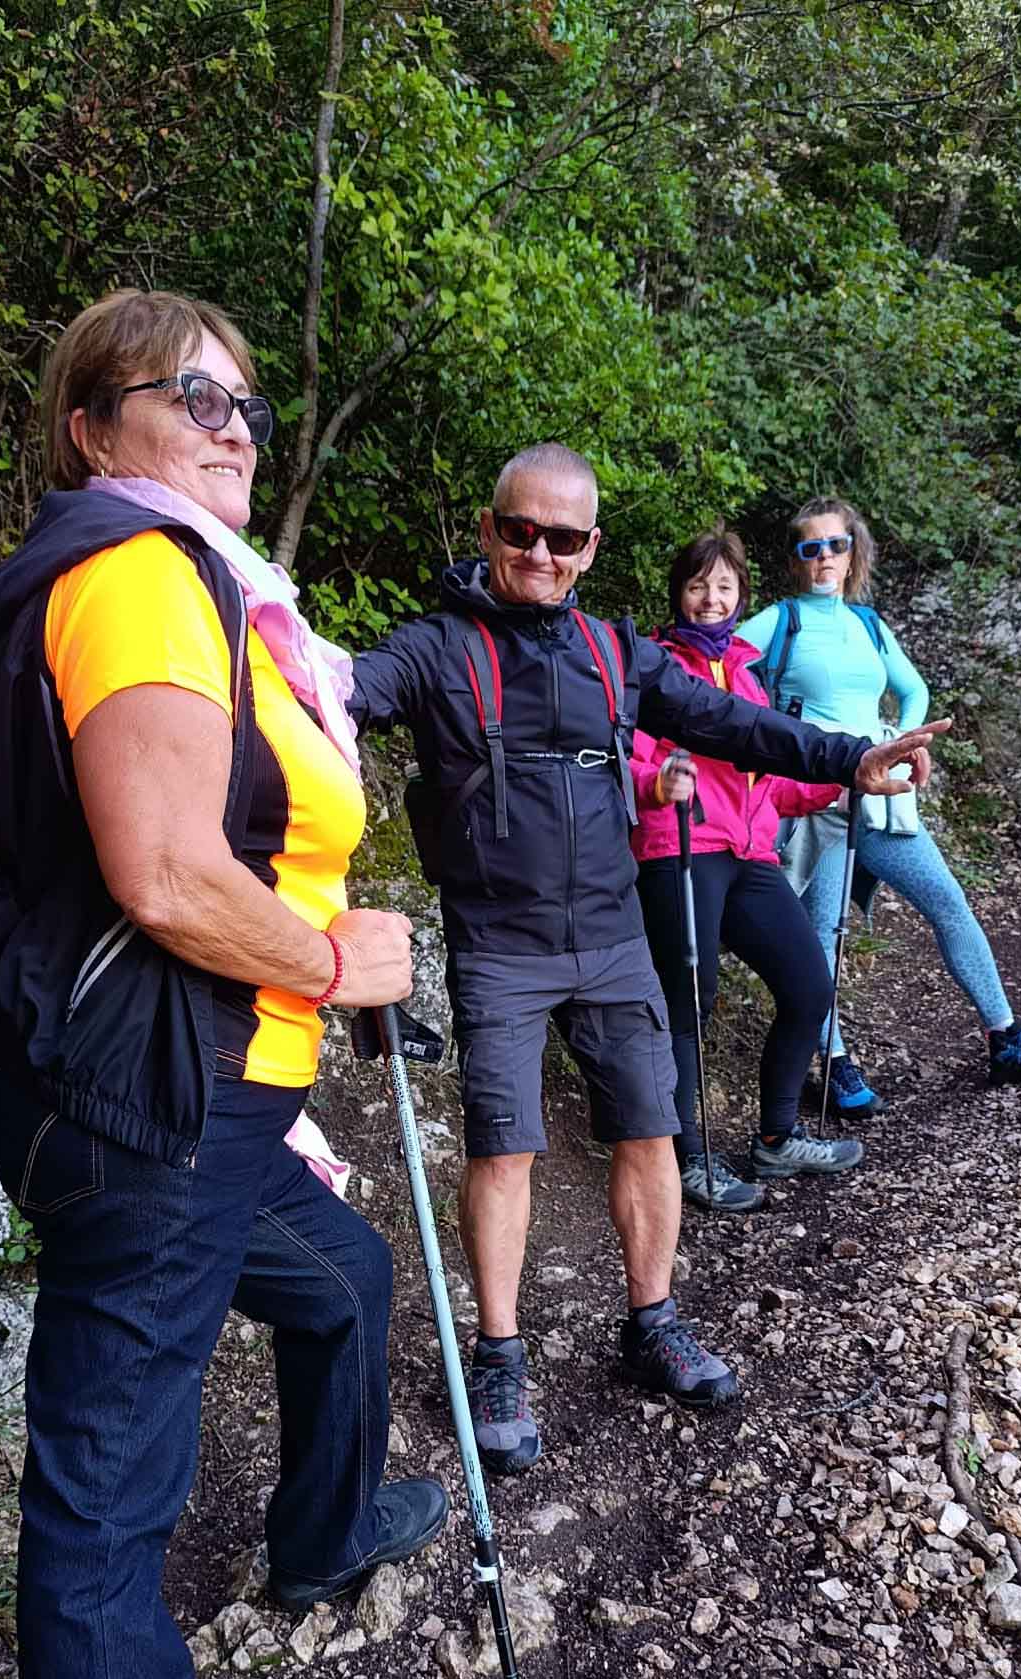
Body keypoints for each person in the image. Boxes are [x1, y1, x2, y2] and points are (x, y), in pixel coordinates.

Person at [0, 288, 449, 1679]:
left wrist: (299, 991)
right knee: (102, 1504)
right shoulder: (137, 578)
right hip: (151, 1108)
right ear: (96, 427)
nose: (232, 425)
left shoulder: (207, 589)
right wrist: (330, 957)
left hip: (212, 1099)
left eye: (245, 402)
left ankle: (321, 1530)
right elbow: (161, 870)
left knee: (342, 1281)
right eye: (189, 396)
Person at [349, 445, 946, 1475]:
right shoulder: (435, 651)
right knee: (503, 1146)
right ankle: (499, 1353)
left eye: (563, 537)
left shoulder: (616, 652)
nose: (538, 552)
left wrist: (851, 757)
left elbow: (733, 723)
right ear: (489, 530)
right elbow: (339, 693)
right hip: (499, 944)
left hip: (615, 932)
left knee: (651, 1129)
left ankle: (651, 1323)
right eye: (519, 530)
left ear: (590, 549)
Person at [740, 496, 1021, 1116]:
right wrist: (770, 739)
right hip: (817, 800)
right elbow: (721, 663)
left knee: (947, 900)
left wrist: (908, 741)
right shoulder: (778, 621)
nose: (824, 558)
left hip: (881, 798)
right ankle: (834, 1061)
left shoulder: (869, 625)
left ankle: (1004, 1036)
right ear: (796, 559)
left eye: (835, 546)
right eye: (810, 548)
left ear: (852, 552)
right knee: (822, 934)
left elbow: (912, 689)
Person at [632, 527, 863, 1214]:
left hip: (748, 853)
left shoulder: (750, 671)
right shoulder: (651, 666)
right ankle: (684, 1159)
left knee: (808, 986)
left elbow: (772, 786)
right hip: (677, 844)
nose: (710, 599)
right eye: (698, 585)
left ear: (741, 595)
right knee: (686, 1004)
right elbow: (632, 756)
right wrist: (656, 780)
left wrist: (835, 786)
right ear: (679, 591)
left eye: (724, 586)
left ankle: (776, 1136)